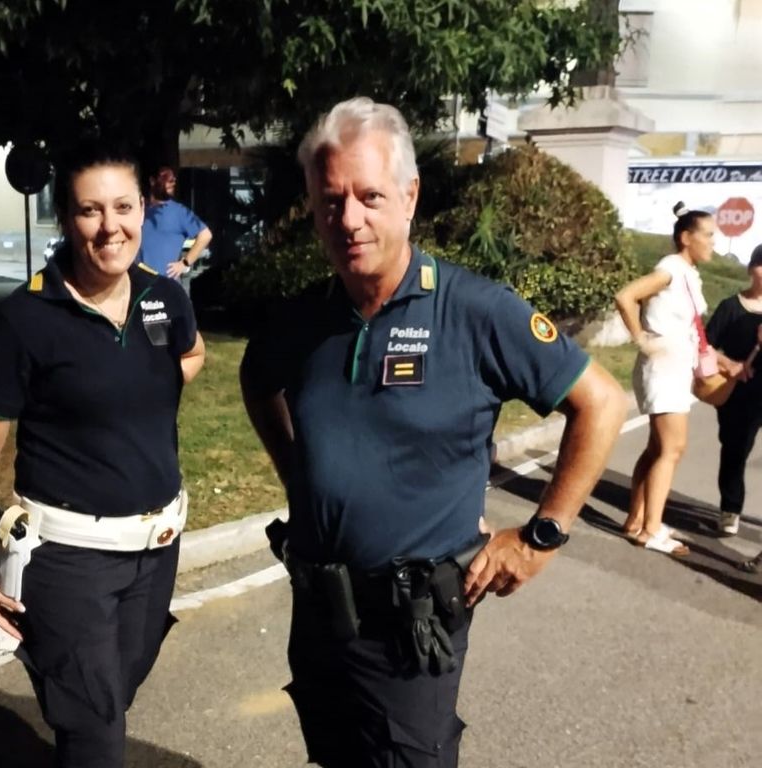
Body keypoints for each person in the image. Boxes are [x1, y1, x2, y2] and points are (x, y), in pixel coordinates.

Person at [240, 97, 627, 768]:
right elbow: (255, 378)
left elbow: (602, 402)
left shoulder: (476, 311)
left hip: (412, 628)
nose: (349, 219)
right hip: (320, 612)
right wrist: (298, 476)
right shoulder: (300, 319)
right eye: (331, 201)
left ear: (409, 197)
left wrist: (541, 536)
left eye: (370, 196)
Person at [0, 141, 205, 768]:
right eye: (90, 210)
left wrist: (135, 391)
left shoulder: (165, 297)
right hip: (66, 560)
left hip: (156, 551)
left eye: (123, 207)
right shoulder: (21, 321)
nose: (109, 226)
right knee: (95, 730)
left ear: (143, 208)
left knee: (115, 693)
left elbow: (192, 352)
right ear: (66, 218)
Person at [614, 202, 716, 555]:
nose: (713, 242)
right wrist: (642, 338)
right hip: (663, 370)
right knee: (672, 449)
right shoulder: (670, 269)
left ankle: (637, 520)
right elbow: (626, 296)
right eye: (708, 235)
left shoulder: (684, 272)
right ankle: (651, 530)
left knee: (658, 448)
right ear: (686, 238)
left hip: (673, 369)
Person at [705, 243, 762, 536]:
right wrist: (730, 365)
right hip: (738, 394)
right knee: (735, 452)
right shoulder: (731, 307)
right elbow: (705, 346)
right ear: (751, 269)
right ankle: (730, 508)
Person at [139, 164, 212, 292]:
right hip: (137, 286)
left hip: (166, 288)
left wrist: (184, 263)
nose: (172, 182)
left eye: (173, 179)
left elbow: (205, 235)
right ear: (152, 181)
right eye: (166, 178)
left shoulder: (179, 212)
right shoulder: (139, 208)